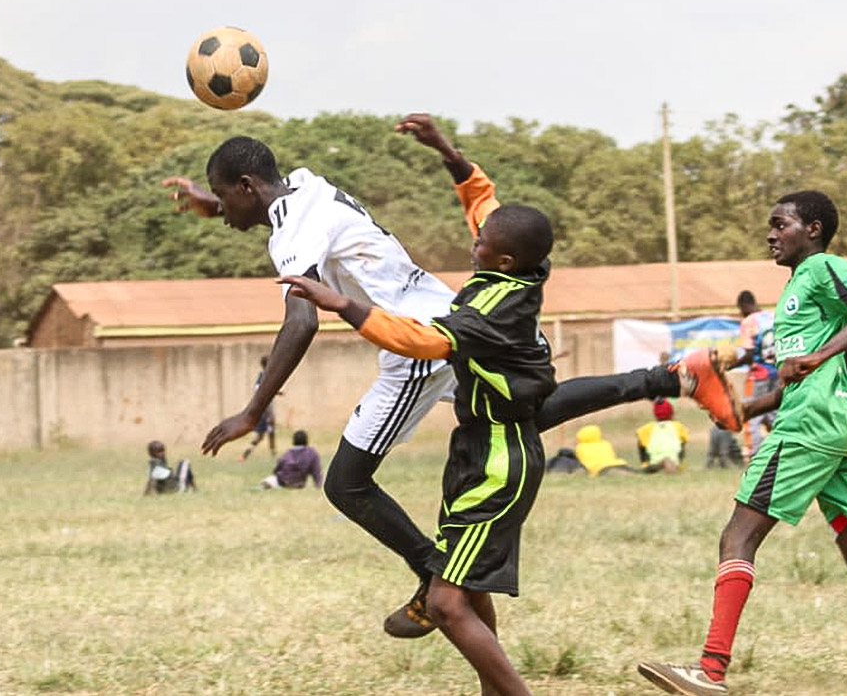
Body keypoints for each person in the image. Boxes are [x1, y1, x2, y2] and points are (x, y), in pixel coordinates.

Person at [162, 115, 741, 641]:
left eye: (223, 196)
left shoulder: (291, 230)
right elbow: (472, 198)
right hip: (450, 315)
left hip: (417, 345)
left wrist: (252, 411)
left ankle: (430, 579)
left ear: (245, 186)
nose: (223, 208)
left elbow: (302, 318)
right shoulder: (306, 185)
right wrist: (209, 203)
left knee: (346, 483)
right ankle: (674, 378)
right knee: (526, 415)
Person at [637, 191, 847, 696]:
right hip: (832, 420)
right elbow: (800, 374)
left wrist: (818, 356)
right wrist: (745, 409)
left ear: (812, 229)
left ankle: (709, 672)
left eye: (780, 224)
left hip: (811, 424)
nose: (770, 234)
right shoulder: (799, 287)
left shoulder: (821, 267)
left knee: (738, 536)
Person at [280, 170, 559, 696]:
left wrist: (343, 303)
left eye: (481, 244)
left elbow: (420, 342)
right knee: (459, 593)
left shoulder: (483, 316)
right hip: (478, 459)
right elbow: (485, 207)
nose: (472, 243)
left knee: (445, 602)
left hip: (496, 467)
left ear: (502, 261)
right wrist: (448, 157)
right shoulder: (521, 271)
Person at [735, 291, 777, 456]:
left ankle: (756, 456)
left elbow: (749, 354)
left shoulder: (749, 322)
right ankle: (783, 451)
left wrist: (729, 365)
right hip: (777, 372)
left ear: (744, 306)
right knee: (775, 415)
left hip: (759, 374)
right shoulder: (771, 316)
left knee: (751, 414)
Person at [240, 356, 278, 461]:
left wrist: (277, 392)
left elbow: (261, 391)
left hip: (264, 411)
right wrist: (269, 415)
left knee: (270, 434)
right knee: (263, 435)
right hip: (265, 412)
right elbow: (262, 396)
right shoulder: (265, 378)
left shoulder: (263, 377)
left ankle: (272, 455)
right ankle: (246, 455)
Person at [636, 398, 688, 473]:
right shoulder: (678, 427)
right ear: (671, 413)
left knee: (641, 441)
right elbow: (683, 445)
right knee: (681, 442)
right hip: (674, 462)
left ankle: (653, 465)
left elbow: (640, 442)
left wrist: (644, 463)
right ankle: (673, 464)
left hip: (654, 463)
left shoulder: (647, 429)